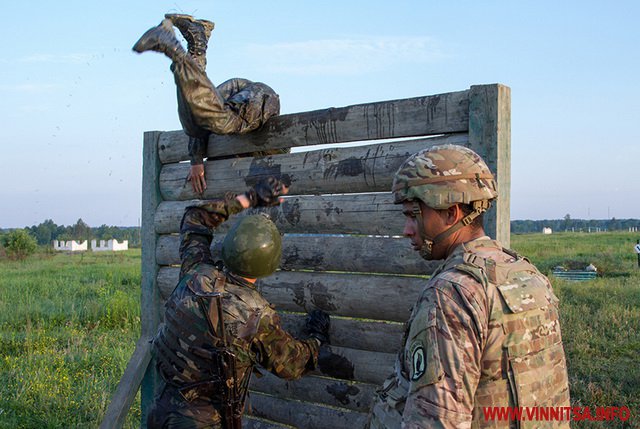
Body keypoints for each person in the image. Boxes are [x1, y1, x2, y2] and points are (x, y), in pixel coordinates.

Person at [368, 145, 570, 428]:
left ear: (451, 213)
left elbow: (437, 421)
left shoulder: (451, 294)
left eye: (413, 215)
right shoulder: (527, 273)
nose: (407, 230)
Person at [147, 176, 330, 429]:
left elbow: (195, 217)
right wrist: (316, 340)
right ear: (271, 262)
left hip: (161, 410)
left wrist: (250, 198)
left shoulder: (196, 272)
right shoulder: (255, 315)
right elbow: (292, 364)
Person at [132, 15, 285, 194]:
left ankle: (197, 44)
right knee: (221, 122)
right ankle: (176, 50)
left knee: (195, 122)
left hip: (244, 98)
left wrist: (196, 160)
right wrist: (196, 159)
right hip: (262, 99)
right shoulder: (268, 167)